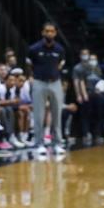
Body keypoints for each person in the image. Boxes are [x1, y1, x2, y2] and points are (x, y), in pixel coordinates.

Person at [26, 23, 67, 156]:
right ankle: (39, 144)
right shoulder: (34, 48)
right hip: (39, 82)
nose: (49, 33)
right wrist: (32, 77)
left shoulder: (60, 49)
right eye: (47, 31)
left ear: (55, 33)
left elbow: (60, 65)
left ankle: (57, 144)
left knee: (57, 114)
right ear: (43, 32)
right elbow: (28, 64)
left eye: (52, 31)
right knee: (38, 115)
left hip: (55, 83)